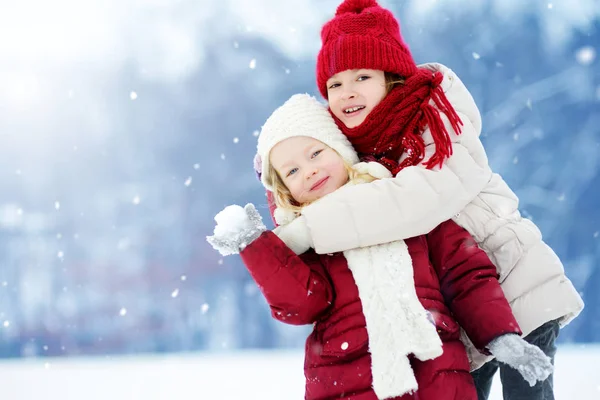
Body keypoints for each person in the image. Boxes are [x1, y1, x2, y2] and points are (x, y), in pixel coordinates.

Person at [279, 1, 584, 399]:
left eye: (362, 76)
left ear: (391, 78)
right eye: (334, 84)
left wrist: (311, 230)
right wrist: (279, 162)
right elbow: (314, 188)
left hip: (513, 286)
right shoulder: (355, 155)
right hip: (454, 310)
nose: (347, 92)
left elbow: (414, 203)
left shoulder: (438, 122)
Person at [207, 94, 552, 400]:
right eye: (293, 170)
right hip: (345, 382)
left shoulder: (404, 206)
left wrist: (498, 335)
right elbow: (303, 304)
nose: (310, 171)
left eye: (315, 153)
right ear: (285, 190)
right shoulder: (305, 241)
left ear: (340, 150)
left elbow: (465, 273)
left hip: (436, 376)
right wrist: (257, 248)